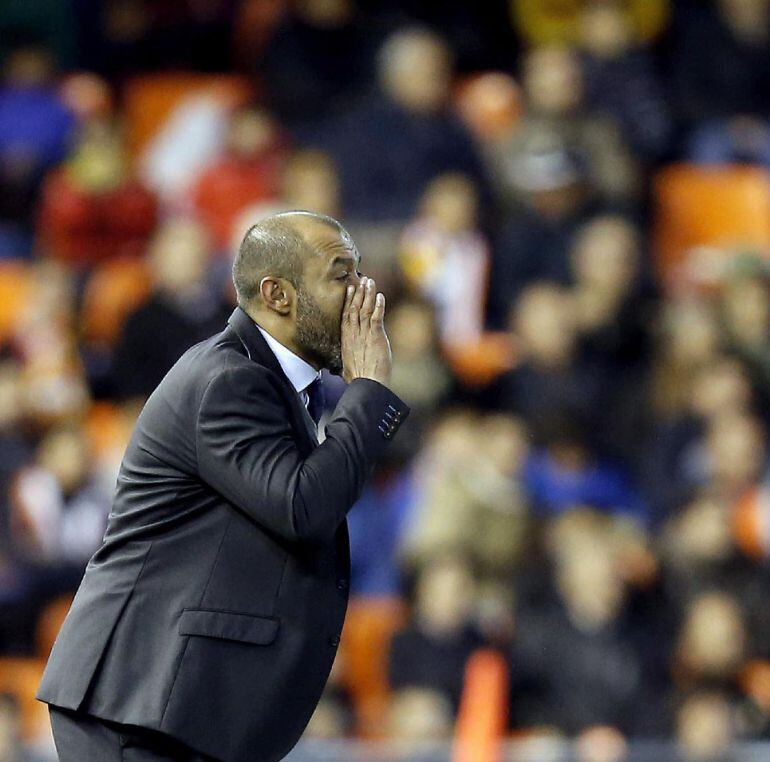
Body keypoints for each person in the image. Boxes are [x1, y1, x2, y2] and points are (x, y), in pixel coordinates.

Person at [35, 210, 410, 762]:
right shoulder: (229, 380)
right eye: (341, 274)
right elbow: (303, 507)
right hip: (137, 703)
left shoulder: (275, 385)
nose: (362, 294)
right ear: (278, 295)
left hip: (179, 705)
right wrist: (370, 390)